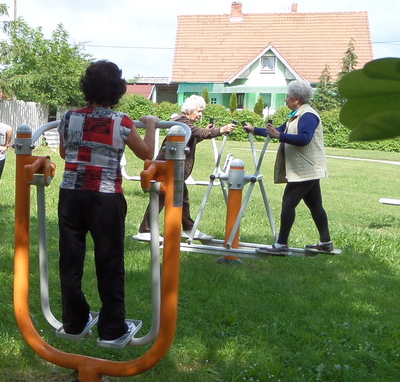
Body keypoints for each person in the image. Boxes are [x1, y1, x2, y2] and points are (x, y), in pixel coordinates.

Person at [57, 60, 158, 344]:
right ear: (117, 90)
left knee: (70, 261)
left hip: (71, 196)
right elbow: (146, 152)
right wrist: (151, 124)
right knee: (110, 262)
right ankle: (112, 329)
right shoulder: (121, 122)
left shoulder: (69, 117)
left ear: (86, 87)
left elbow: (65, 153)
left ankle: (74, 322)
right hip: (106, 199)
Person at [244, 79, 333, 255]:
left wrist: (280, 136)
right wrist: (254, 130)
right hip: (308, 170)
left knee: (288, 203)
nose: (285, 100)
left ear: (296, 99)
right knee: (315, 205)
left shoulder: (308, 116)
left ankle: (281, 244)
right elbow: (278, 131)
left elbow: (304, 139)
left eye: (288, 97)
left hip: (305, 170)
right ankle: (326, 243)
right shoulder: (296, 115)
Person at [137, 95, 237, 241]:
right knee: (161, 199)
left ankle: (188, 228)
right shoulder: (182, 123)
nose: (200, 114)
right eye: (199, 111)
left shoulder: (186, 124)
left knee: (182, 199)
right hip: (168, 168)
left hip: (174, 169)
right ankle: (145, 230)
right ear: (190, 110)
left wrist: (206, 132)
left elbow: (193, 138)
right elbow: (201, 133)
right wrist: (221, 129)